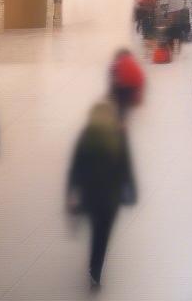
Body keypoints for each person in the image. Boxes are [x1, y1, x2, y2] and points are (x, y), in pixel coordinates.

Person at [66, 100, 136, 290]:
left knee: (95, 230)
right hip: (110, 199)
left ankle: (93, 266)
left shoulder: (86, 136)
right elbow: (126, 167)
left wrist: (70, 194)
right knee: (102, 236)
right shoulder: (119, 136)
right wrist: (132, 192)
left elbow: (75, 168)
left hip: (90, 197)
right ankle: (95, 272)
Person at [108, 49, 145, 120]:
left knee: (120, 104)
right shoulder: (134, 63)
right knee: (124, 104)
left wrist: (111, 92)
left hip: (121, 87)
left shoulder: (117, 63)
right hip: (131, 89)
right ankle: (121, 118)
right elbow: (140, 80)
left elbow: (112, 77)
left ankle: (118, 118)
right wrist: (138, 97)